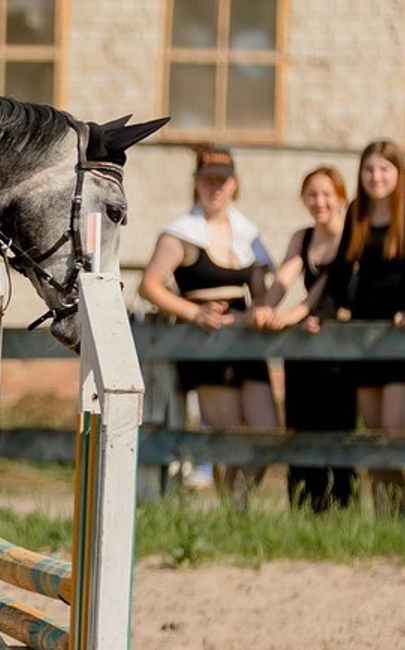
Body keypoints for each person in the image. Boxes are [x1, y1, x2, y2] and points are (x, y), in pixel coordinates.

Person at [139, 144, 278, 507]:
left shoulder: (249, 236)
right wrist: (194, 312)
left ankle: (238, 504)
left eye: (223, 180)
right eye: (208, 180)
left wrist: (255, 313)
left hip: (246, 341)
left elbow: (262, 294)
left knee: (267, 431)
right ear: (197, 183)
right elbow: (150, 284)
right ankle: (234, 513)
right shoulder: (181, 233)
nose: (215, 187)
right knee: (226, 431)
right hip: (206, 341)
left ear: (235, 184)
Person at [317, 139, 405, 517]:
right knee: (372, 432)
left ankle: (399, 514)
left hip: (402, 334)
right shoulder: (357, 211)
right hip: (365, 336)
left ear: (398, 172)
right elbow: (339, 273)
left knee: (393, 431)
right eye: (369, 170)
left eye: (384, 169)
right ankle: (383, 514)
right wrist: (327, 313)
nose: (376, 177)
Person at [252, 166, 357, 510]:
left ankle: (343, 510)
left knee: (340, 430)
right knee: (300, 426)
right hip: (307, 346)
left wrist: (290, 316)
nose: (319, 201)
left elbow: (324, 291)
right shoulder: (303, 237)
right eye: (312, 194)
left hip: (342, 349)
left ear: (341, 198)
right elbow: (285, 276)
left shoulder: (352, 237)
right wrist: (264, 308)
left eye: (327, 193)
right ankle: (304, 509)